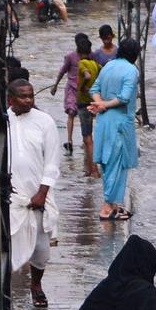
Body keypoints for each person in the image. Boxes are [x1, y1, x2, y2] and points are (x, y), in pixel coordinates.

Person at [6, 80, 61, 308]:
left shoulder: (44, 121)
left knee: (41, 249)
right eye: (23, 96)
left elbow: (52, 161)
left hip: (38, 196)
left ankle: (36, 285)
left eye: (31, 96)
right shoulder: (3, 121)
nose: (29, 100)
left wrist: (42, 192)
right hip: (9, 197)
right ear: (10, 99)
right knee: (5, 247)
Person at [87, 38, 141, 221]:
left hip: (103, 121)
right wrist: (105, 105)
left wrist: (100, 103)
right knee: (116, 164)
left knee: (107, 163)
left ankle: (115, 205)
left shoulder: (109, 65)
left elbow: (93, 89)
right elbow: (124, 98)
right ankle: (108, 206)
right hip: (119, 121)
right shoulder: (132, 70)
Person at [51, 33, 90, 155]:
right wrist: (55, 85)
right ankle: (69, 140)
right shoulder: (70, 57)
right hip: (72, 89)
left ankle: (86, 141)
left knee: (86, 115)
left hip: (85, 90)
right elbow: (62, 71)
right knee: (71, 113)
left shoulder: (90, 56)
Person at [76, 47, 101, 178]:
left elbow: (87, 75)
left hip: (83, 103)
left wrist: (82, 87)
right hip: (95, 101)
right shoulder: (95, 64)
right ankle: (92, 168)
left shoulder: (81, 63)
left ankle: (94, 170)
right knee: (95, 136)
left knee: (87, 138)